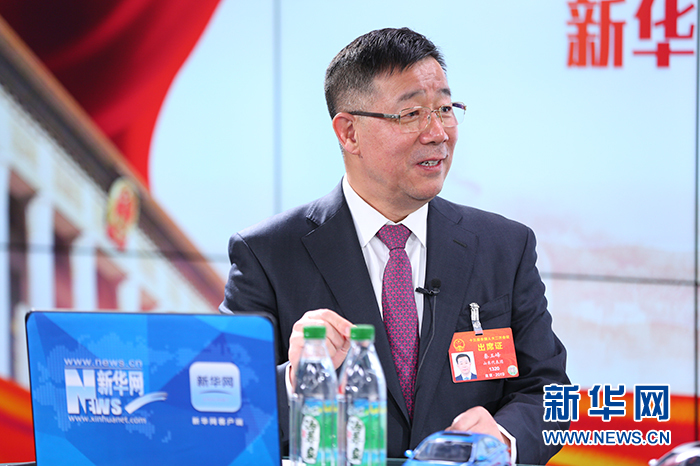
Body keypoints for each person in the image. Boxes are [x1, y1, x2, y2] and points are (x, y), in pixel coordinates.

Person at [220, 27, 570, 464]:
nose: (438, 133)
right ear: (348, 132)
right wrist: (297, 377)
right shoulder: (267, 254)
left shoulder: (504, 247)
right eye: (411, 114)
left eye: (445, 109)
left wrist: (501, 437)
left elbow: (550, 394)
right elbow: (225, 411)